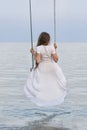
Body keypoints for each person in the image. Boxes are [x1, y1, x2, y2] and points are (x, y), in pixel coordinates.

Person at [24, 32, 67, 107]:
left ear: (40, 39)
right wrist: (55, 49)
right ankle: (53, 96)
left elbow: (38, 61)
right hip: (51, 67)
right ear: (48, 39)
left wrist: (34, 53)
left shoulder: (39, 48)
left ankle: (43, 98)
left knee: (41, 85)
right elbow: (56, 60)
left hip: (42, 68)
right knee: (54, 83)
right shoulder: (51, 47)